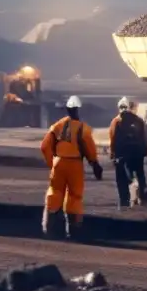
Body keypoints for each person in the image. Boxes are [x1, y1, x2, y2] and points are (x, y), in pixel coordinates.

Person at [40, 95, 103, 239]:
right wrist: (95, 165)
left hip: (58, 163)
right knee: (74, 195)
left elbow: (44, 146)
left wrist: (53, 163)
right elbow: (89, 149)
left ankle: (51, 227)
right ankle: (73, 230)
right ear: (78, 109)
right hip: (74, 164)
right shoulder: (83, 128)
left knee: (55, 192)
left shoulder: (57, 126)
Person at [108, 96, 147, 208]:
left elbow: (113, 138)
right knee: (140, 175)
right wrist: (144, 153)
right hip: (137, 154)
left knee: (122, 179)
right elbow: (143, 138)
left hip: (122, 155)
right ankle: (141, 197)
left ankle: (125, 200)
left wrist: (112, 155)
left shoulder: (116, 121)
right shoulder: (139, 120)